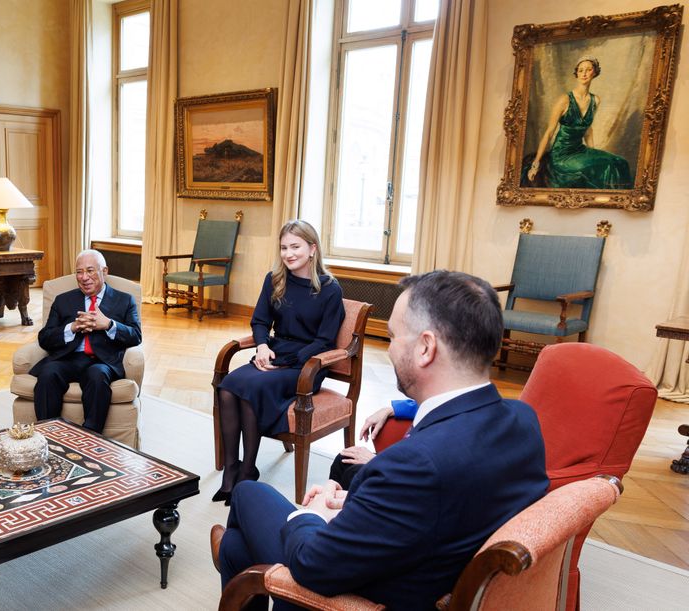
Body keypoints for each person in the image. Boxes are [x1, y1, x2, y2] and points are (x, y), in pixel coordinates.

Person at [216, 270, 549, 609]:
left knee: (246, 495)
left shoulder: (414, 464)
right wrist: (355, 502)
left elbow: (312, 566)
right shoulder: (523, 420)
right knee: (237, 548)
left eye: (392, 337)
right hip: (426, 561)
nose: (388, 351)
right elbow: (441, 505)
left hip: (371, 592)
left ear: (425, 348)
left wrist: (313, 513)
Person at [212, 220, 344, 504]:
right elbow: (260, 320)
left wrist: (289, 360)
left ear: (312, 248)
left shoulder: (330, 288)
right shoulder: (274, 279)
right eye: (284, 247)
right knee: (228, 386)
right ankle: (232, 467)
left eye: (295, 247)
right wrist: (261, 346)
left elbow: (325, 340)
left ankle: (248, 470)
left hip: (307, 364)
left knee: (252, 389)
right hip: (273, 353)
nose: (288, 253)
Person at [30, 249, 141, 432]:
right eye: (79, 272)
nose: (84, 277)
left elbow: (136, 335)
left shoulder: (124, 300)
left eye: (90, 271)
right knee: (49, 372)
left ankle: (90, 435)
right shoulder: (63, 300)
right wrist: (71, 328)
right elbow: (45, 338)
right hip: (68, 358)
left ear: (104, 272)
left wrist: (109, 325)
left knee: (97, 375)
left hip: (102, 361)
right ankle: (47, 433)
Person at [524, 56, 632, 189]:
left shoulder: (595, 100)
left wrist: (593, 153)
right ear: (576, 74)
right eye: (580, 70)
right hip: (561, 155)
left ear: (595, 72)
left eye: (588, 70)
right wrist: (535, 164)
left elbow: (588, 129)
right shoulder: (564, 100)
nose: (584, 73)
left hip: (580, 150)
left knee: (620, 162)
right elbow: (549, 133)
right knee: (603, 166)